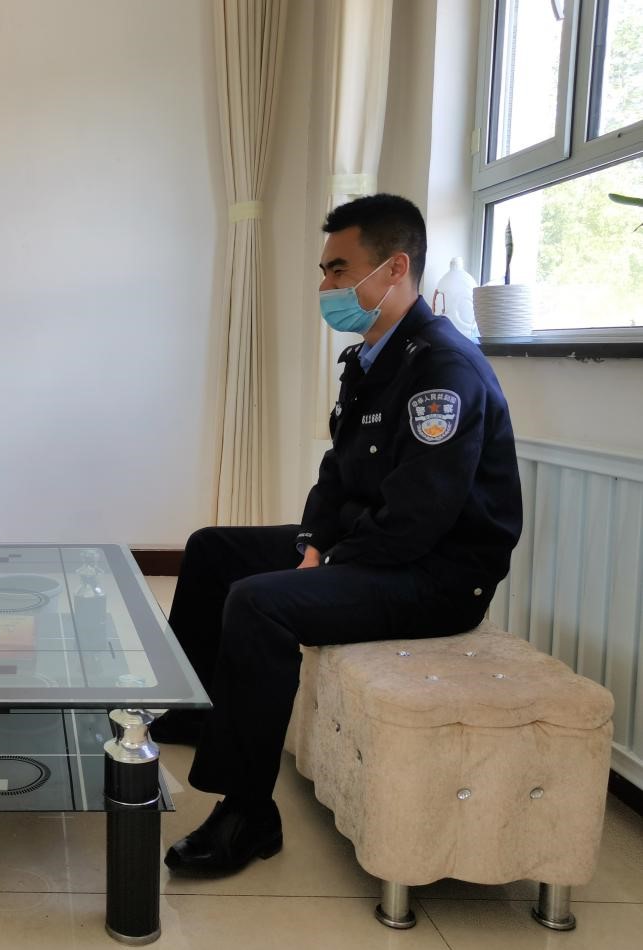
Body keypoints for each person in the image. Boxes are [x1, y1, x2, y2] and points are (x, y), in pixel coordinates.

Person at [160, 194, 522, 875]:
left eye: (338, 270)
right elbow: (337, 473)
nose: (325, 287)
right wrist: (312, 541)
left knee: (258, 603)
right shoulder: (374, 358)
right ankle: (193, 712)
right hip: (376, 547)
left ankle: (247, 814)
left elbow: (418, 519)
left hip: (435, 577)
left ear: (394, 268)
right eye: (324, 272)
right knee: (213, 548)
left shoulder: (443, 370)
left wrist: (327, 565)